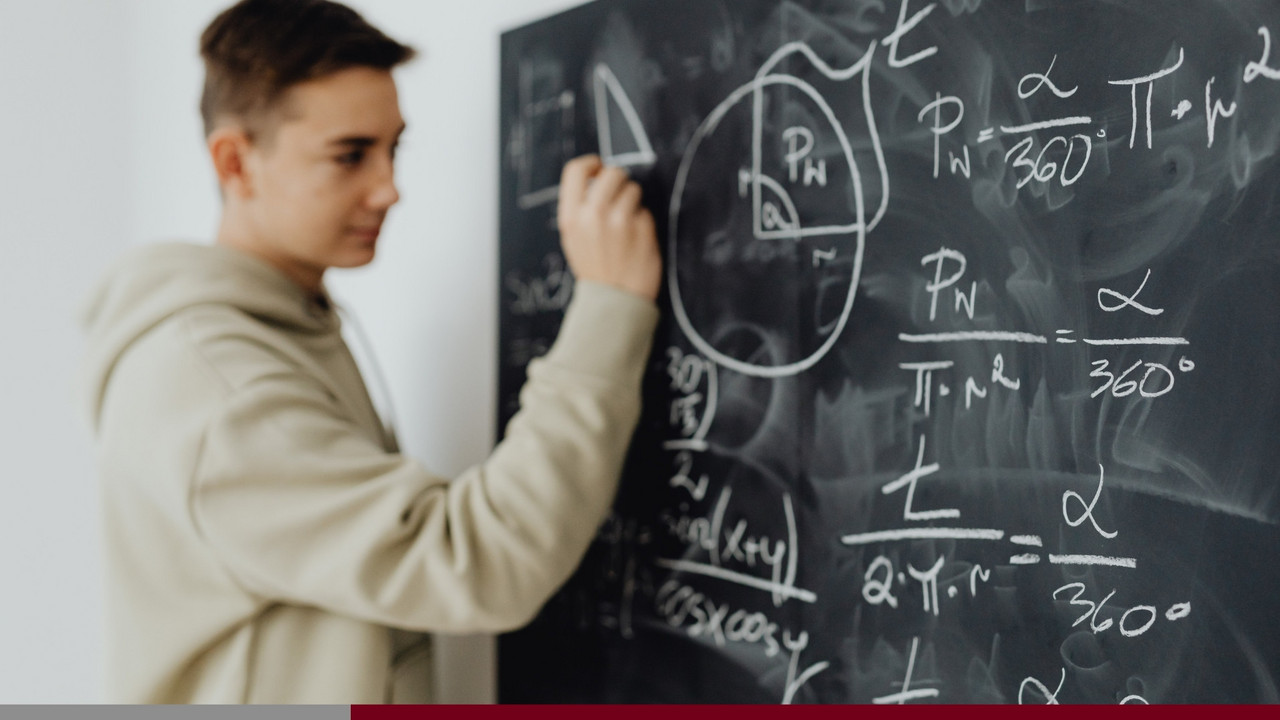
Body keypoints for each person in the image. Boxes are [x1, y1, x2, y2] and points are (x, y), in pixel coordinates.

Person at [79, 0, 661, 704]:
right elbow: (478, 565)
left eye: (394, 149)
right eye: (350, 154)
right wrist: (609, 308)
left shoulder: (286, 326)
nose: (389, 188)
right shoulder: (218, 384)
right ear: (236, 161)